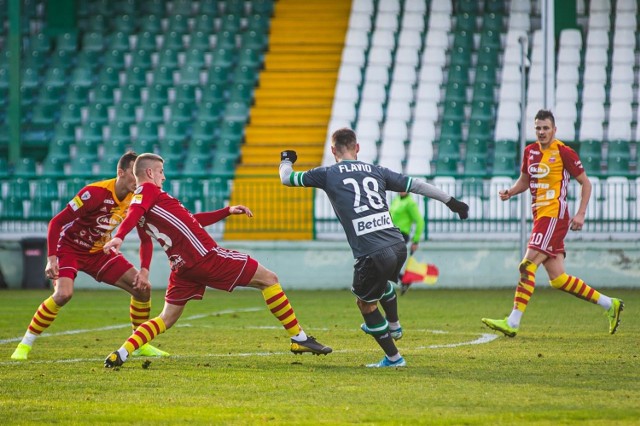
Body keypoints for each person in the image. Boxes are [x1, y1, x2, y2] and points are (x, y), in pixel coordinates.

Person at [102, 153, 331, 368]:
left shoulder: (149, 204)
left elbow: (191, 220)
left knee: (166, 318)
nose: (164, 176)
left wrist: (227, 211)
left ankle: (121, 353)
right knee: (269, 279)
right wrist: (119, 237)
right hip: (205, 257)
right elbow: (135, 212)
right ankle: (299, 338)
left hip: (182, 267)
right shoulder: (147, 192)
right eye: (161, 171)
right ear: (150, 173)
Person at [279, 128, 469, 367]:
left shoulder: (327, 173)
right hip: (398, 245)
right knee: (381, 286)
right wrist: (452, 202)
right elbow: (416, 185)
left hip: (371, 252)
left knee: (366, 304)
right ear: (357, 148)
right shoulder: (376, 170)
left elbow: (287, 178)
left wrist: (286, 160)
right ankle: (394, 326)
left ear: (332, 150)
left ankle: (394, 358)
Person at [11, 151, 169, 360]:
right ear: (121, 173)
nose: (138, 179)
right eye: (133, 173)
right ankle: (24, 345)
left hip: (100, 252)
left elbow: (145, 238)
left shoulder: (136, 198)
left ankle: (140, 344)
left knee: (142, 289)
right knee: (63, 295)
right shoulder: (94, 193)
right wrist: (51, 258)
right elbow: (56, 223)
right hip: (71, 249)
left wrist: (145, 270)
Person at [481, 109, 624, 337]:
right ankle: (610, 304)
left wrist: (581, 214)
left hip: (554, 216)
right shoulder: (529, 151)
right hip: (541, 217)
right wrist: (511, 191)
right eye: (538, 128)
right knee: (558, 279)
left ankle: (513, 322)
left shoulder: (564, 152)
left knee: (527, 266)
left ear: (554, 130)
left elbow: (586, 184)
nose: (541, 132)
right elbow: (525, 181)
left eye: (546, 128)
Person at [389, 191, 425, 295]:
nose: (400, 190)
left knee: (386, 262)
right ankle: (404, 280)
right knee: (386, 263)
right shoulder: (396, 200)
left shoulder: (410, 203)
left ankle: (402, 280)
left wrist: (416, 240)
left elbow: (420, 221)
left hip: (401, 235)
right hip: (391, 234)